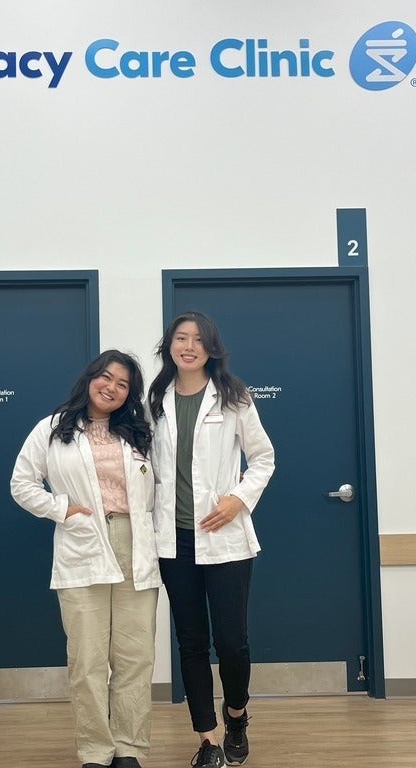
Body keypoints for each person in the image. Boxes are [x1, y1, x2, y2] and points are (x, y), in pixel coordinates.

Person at [10, 350, 160, 768]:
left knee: (135, 655)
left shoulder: (141, 433)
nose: (110, 387)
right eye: (105, 377)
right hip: (83, 541)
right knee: (87, 657)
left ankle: (130, 747)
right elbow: (21, 484)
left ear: (129, 394)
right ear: (89, 378)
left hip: (135, 543)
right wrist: (62, 510)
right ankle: (96, 749)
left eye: (123, 384)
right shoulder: (52, 429)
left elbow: (166, 485)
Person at [148, 311, 275, 768]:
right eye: (180, 338)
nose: (188, 346)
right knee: (191, 641)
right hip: (175, 541)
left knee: (232, 641)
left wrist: (238, 500)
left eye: (197, 339)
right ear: (170, 346)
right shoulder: (155, 399)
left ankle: (236, 714)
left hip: (224, 537)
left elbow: (263, 458)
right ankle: (208, 739)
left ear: (211, 347)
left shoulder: (232, 397)